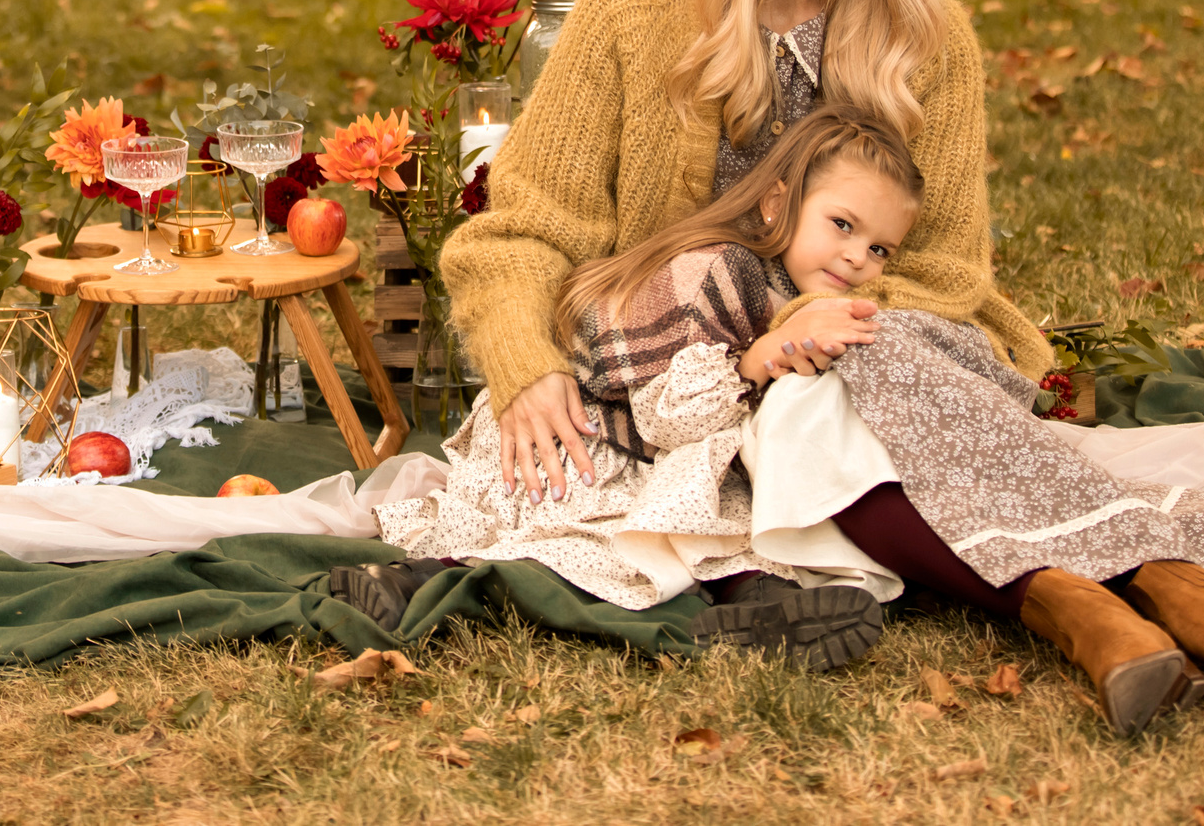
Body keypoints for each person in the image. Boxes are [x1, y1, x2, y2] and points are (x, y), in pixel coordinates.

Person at [431, 0, 1204, 734]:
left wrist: (821, 324)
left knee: (836, 382)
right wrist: (528, 369)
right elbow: (527, 224)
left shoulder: (928, 35)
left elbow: (943, 272)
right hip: (684, 365)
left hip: (875, 351)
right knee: (809, 401)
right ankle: (1099, 600)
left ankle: (1170, 599)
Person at [362, 107, 923, 672]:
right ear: (778, 204)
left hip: (664, 447)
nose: (857, 257)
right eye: (843, 225)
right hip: (584, 432)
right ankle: (413, 582)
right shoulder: (721, 271)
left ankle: (762, 605)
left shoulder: (790, 287)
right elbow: (667, 420)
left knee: (729, 525)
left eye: (880, 249)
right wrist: (757, 361)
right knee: (584, 538)